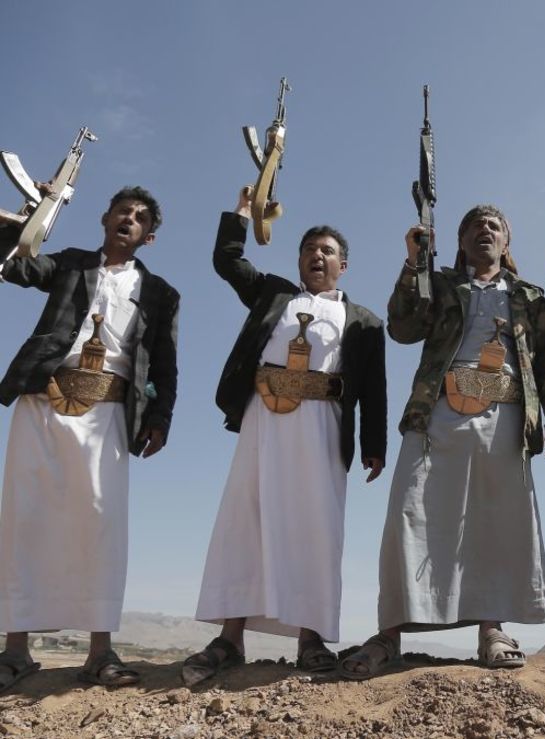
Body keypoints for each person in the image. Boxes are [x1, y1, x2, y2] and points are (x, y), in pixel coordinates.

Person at [340, 205, 545, 679]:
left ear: (507, 242)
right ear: (460, 240)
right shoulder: (440, 284)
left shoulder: (528, 296)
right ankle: (390, 635)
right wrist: (414, 265)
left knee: (497, 522)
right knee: (411, 512)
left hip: (507, 417)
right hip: (438, 413)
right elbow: (403, 329)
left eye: (495, 226)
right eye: (474, 226)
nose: (485, 231)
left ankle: (493, 629)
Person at [183, 185, 386, 685]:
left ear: (344, 265)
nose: (317, 255)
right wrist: (241, 212)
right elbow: (227, 260)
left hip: (323, 428)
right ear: (297, 260)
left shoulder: (363, 321)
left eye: (328, 251)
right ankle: (230, 638)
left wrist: (375, 447)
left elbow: (375, 388)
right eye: (308, 249)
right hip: (263, 423)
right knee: (246, 518)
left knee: (316, 528)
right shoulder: (273, 294)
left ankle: (310, 637)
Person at [0, 186, 179, 691]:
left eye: (141, 216)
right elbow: (18, 267)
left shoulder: (162, 294)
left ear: (151, 236)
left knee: (100, 521)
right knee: (25, 514)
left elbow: (165, 365)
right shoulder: (70, 265)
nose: (130, 218)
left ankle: (100, 652)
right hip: (43, 398)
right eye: (123, 210)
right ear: (105, 218)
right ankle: (15, 651)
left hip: (108, 413)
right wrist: (23, 223)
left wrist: (160, 418)